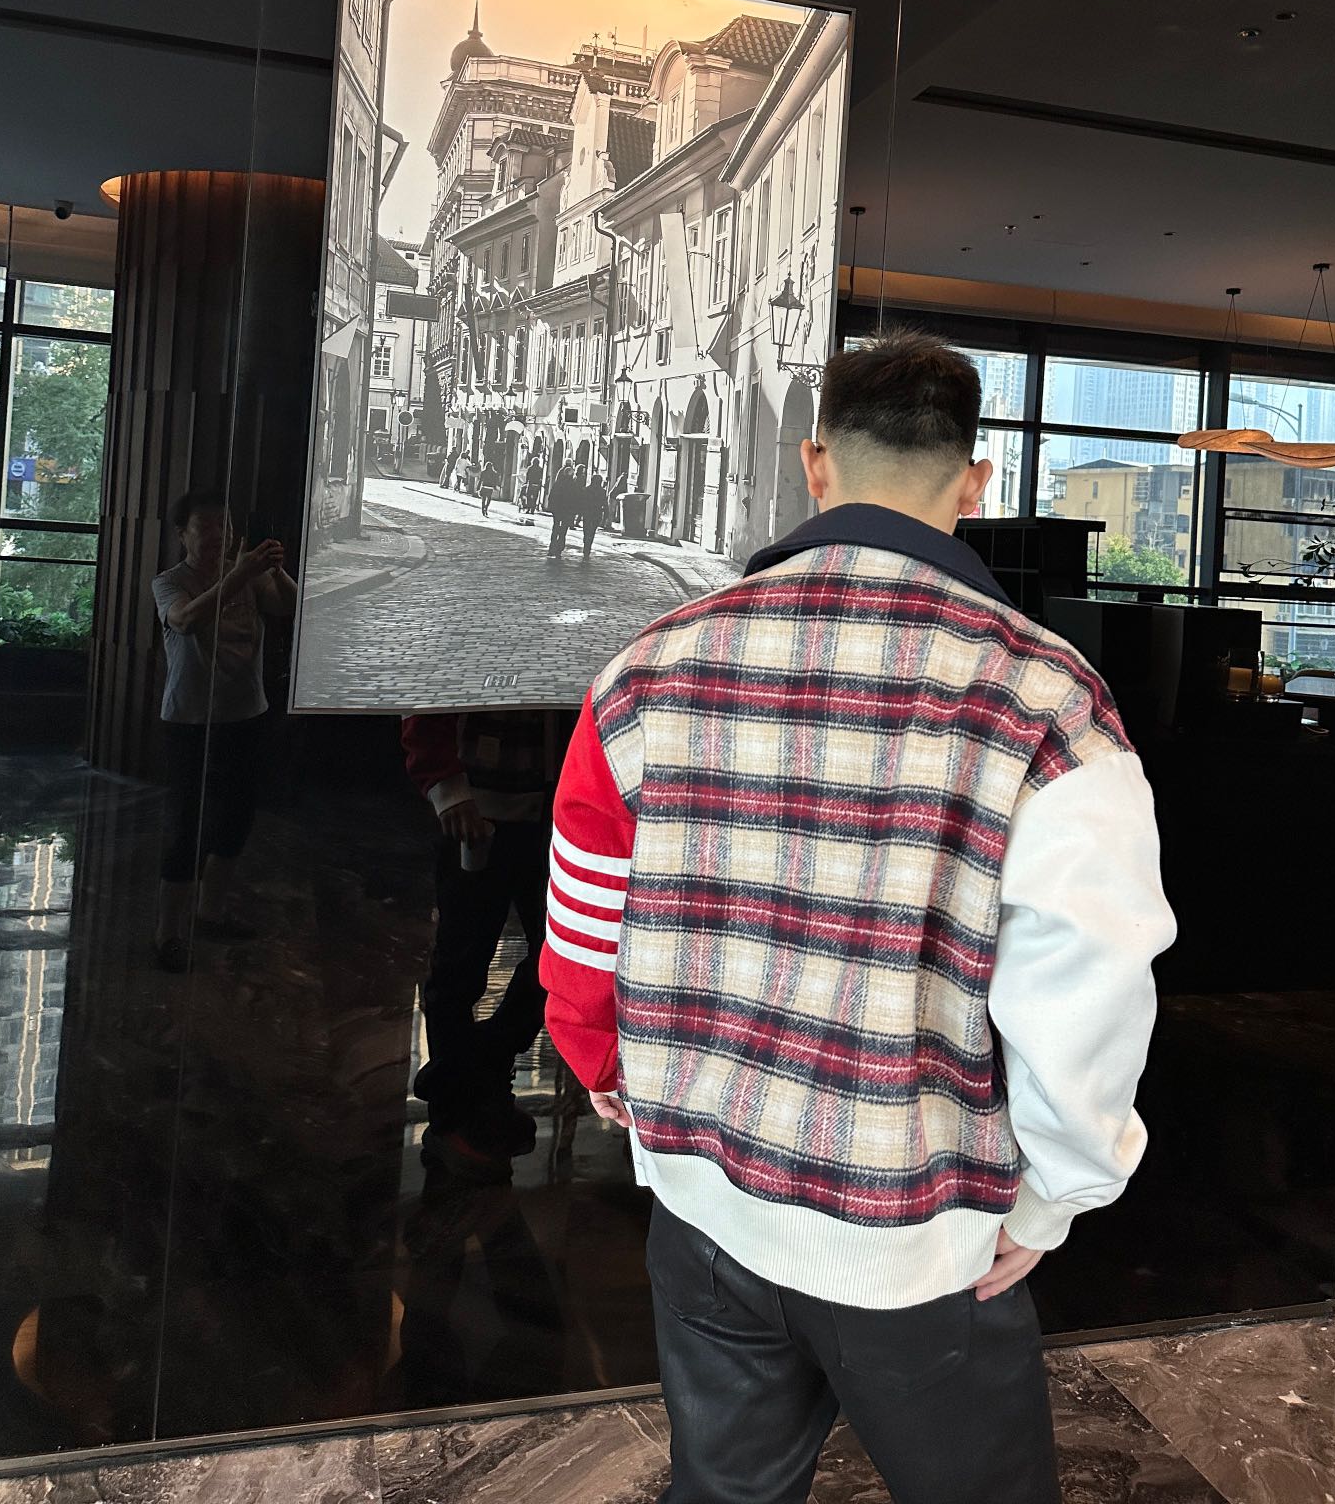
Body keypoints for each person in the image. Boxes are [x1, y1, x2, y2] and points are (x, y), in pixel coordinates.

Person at [540, 331, 1175, 1504]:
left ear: (815, 462)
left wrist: (602, 1062)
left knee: (723, 1492)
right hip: (918, 1232)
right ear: (974, 484)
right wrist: (1059, 1191)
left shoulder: (648, 665)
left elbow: (586, 897)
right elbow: (1088, 975)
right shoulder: (1046, 696)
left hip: (702, 1202)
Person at [402, 709, 577, 1179]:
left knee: (561, 954)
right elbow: (427, 695)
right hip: (476, 807)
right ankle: (455, 1114)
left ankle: (476, 1075)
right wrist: (446, 788)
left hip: (554, 807)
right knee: (461, 965)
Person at [151, 489, 297, 972]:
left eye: (225, 526)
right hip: (190, 721)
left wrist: (274, 569)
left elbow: (291, 607)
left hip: (247, 716)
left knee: (235, 820)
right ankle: (168, 934)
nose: (218, 535)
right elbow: (185, 621)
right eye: (206, 526)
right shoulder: (169, 582)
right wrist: (239, 575)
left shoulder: (247, 575)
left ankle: (210, 913)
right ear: (182, 534)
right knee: (185, 828)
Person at [546, 462, 581, 558]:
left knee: (555, 528)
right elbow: (576, 499)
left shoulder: (558, 484)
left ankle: (552, 548)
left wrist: (551, 508)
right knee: (563, 531)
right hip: (567, 511)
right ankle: (559, 549)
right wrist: (574, 511)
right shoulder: (573, 485)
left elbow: (552, 497)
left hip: (558, 510)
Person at [578, 467, 609, 559]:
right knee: (592, 532)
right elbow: (605, 504)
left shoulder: (586, 489)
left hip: (587, 513)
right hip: (597, 513)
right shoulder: (602, 491)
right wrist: (606, 515)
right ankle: (588, 547)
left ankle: (586, 546)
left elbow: (582, 502)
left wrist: (579, 514)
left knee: (586, 530)